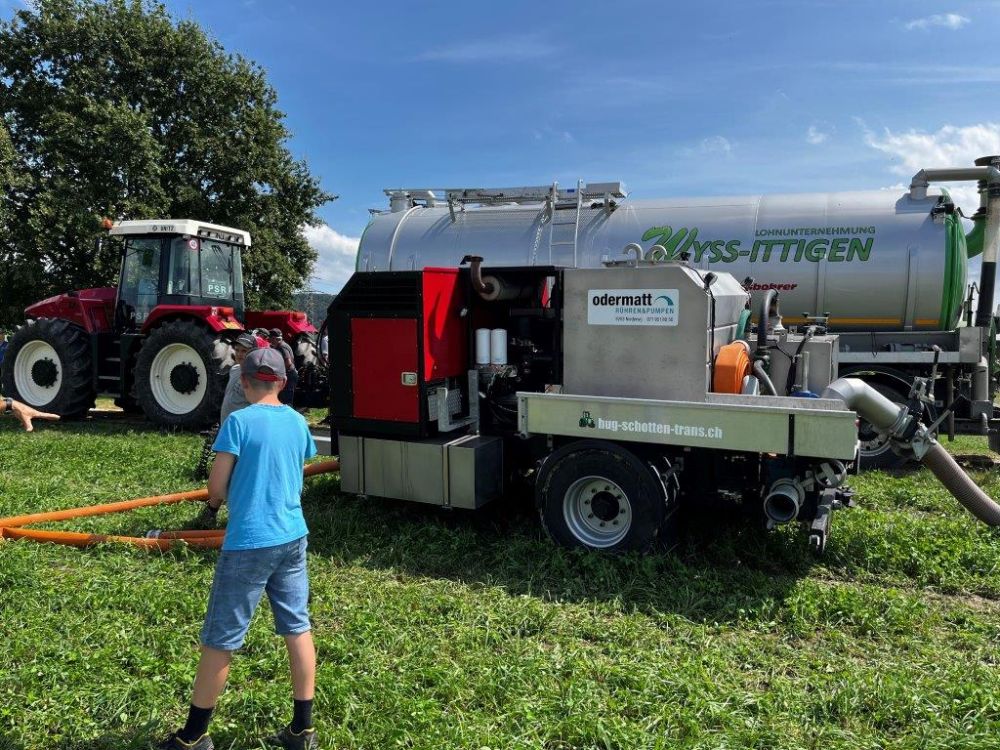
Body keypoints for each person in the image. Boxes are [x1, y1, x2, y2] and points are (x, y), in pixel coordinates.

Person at [159, 348, 318, 750]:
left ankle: (193, 737)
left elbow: (215, 488)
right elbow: (294, 476)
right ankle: (302, 729)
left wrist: (228, 499)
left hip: (249, 542)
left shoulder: (238, 422)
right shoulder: (300, 423)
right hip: (293, 536)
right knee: (297, 627)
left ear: (243, 382)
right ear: (282, 382)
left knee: (221, 638)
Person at [194, 333, 258, 480]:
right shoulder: (235, 370)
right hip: (227, 427)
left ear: (253, 353)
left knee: (241, 467)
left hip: (242, 430)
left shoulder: (253, 377)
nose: (240, 354)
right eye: (238, 350)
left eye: (245, 351)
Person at [268, 329, 298, 406]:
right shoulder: (283, 345)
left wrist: (277, 371)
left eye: (270, 339)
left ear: (274, 338)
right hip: (289, 374)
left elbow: (288, 362)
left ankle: (288, 416)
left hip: (289, 375)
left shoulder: (281, 347)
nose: (269, 341)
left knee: (286, 400)